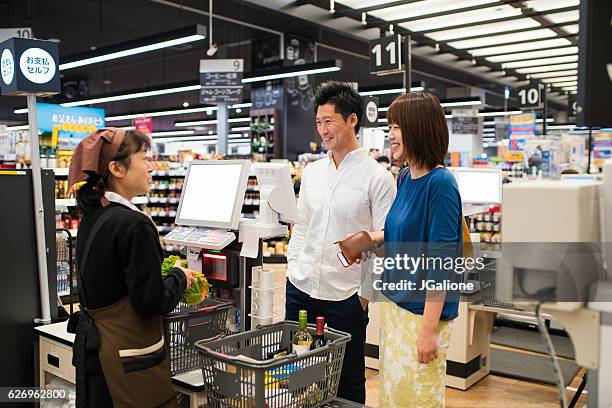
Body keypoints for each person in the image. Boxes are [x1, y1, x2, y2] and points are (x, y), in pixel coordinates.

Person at [67, 128, 196, 408]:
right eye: (143, 157)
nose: (150, 166)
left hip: (94, 352)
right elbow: (150, 301)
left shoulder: (93, 215)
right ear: (116, 168)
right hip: (127, 358)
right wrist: (179, 278)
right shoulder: (134, 225)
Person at [285, 81, 396, 403]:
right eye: (319, 122)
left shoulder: (378, 177)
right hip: (301, 288)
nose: (323, 130)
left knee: (346, 381)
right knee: (297, 374)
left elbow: (386, 240)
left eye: (329, 121)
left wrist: (363, 297)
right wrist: (294, 267)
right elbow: (302, 226)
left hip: (345, 296)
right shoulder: (313, 172)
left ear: (352, 120)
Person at [361, 92, 463, 407]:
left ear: (418, 129)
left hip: (421, 315)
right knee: (393, 396)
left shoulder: (441, 184)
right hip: (395, 309)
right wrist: (373, 238)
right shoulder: (405, 177)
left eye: (397, 126)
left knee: (419, 398)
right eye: (389, 126)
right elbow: (403, 235)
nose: (390, 134)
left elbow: (441, 262)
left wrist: (428, 330)